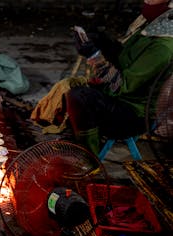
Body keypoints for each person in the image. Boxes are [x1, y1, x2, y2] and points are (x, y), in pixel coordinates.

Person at [32, 0, 173, 154]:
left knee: (80, 97)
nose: (147, 1)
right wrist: (102, 42)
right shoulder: (150, 27)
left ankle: (88, 156)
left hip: (134, 115)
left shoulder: (163, 46)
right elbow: (124, 58)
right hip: (121, 99)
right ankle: (74, 138)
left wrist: (95, 56)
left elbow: (120, 85)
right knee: (69, 86)